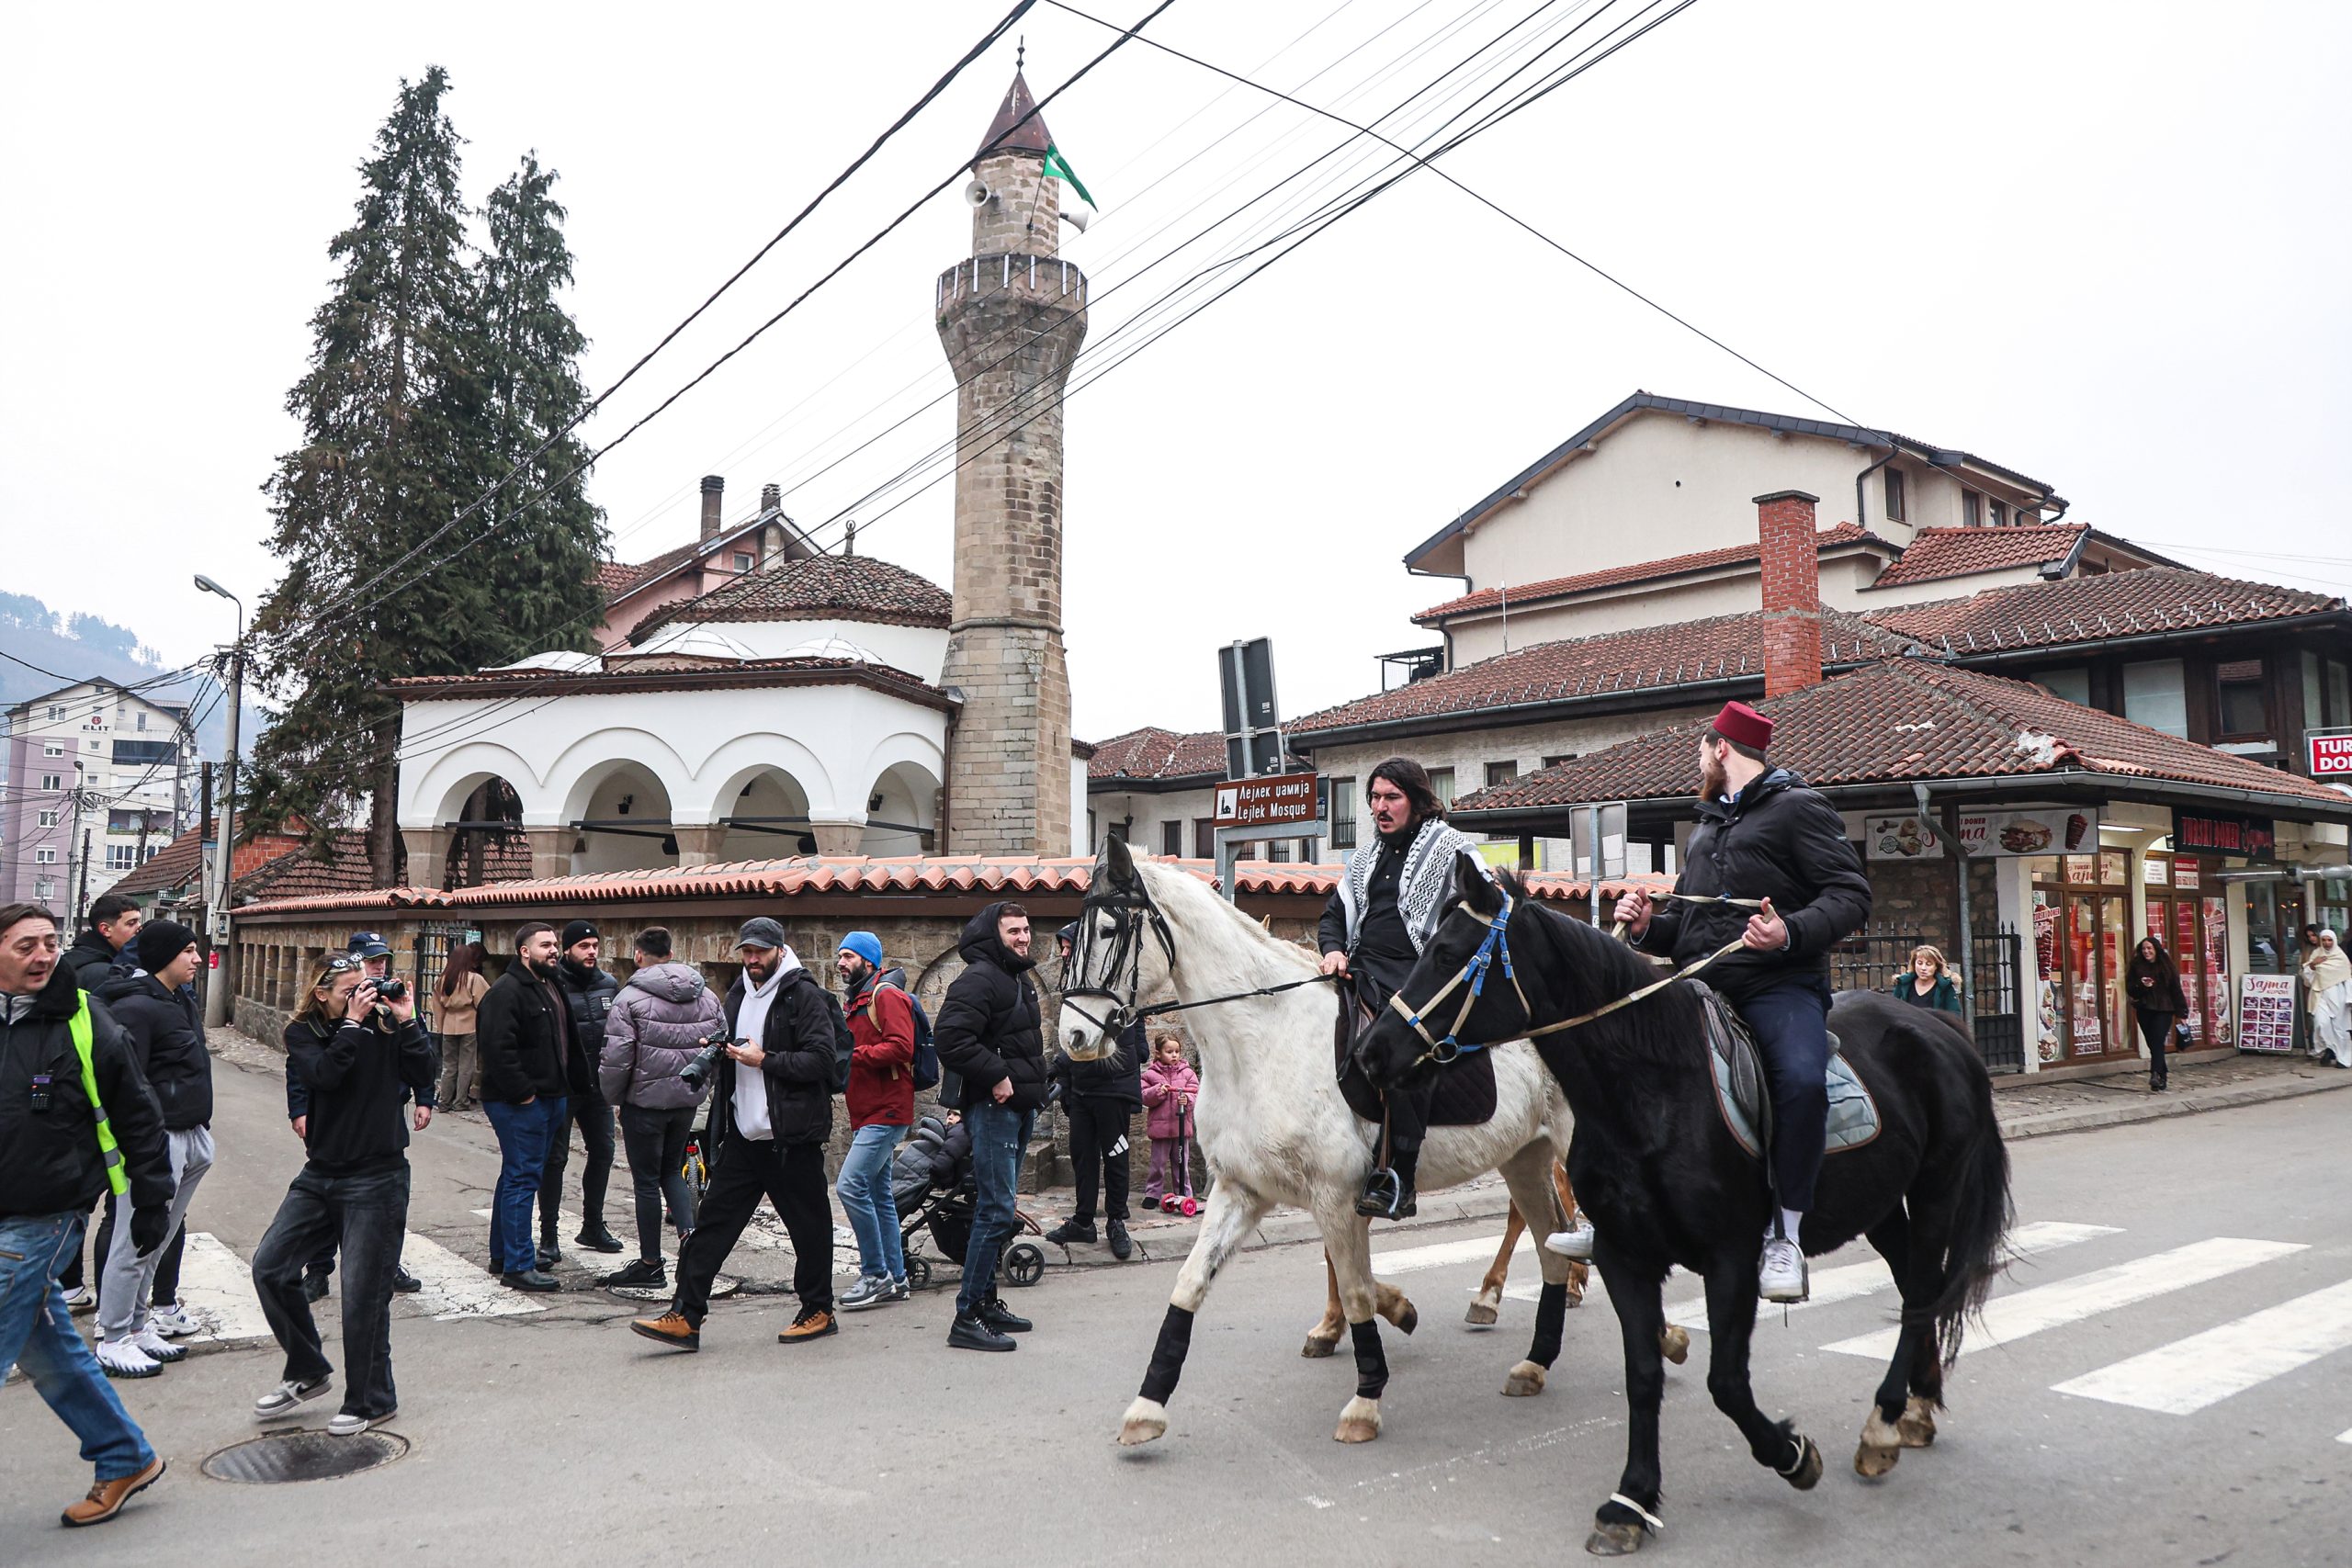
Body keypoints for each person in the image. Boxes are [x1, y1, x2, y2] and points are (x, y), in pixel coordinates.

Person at [1598, 701, 1874, 1303]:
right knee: (1617, 1066)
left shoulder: (1799, 808)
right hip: (1701, 987)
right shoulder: (1706, 828)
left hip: (1780, 986)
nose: (1698, 760)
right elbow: (1689, 928)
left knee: (1800, 1081)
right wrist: (1647, 925)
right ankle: (1613, 1212)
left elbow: (1851, 895)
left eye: (1701, 749)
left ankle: (1787, 1235)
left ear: (1721, 748)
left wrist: (1789, 932)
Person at [0, 902, 173, 1526]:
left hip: (45, 1213)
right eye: (26, 945)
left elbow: (139, 1113)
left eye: (49, 942)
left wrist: (151, 1203)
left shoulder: (84, 1020)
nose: (44, 955)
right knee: (45, 1346)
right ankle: (124, 1454)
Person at [629, 918, 840, 1351]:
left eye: (760, 952)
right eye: (746, 951)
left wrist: (766, 1060)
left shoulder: (804, 995)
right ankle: (686, 1316)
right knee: (711, 1227)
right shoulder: (740, 991)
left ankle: (818, 1309)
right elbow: (735, 1046)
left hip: (791, 1137)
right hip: (744, 1135)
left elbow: (821, 1062)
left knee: (810, 1229)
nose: (752, 959)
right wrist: (718, 1049)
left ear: (780, 950)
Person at [249, 952, 435, 1436]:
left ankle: (373, 1399)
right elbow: (326, 1075)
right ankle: (308, 1369)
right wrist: (352, 1026)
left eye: (365, 986)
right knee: (271, 1266)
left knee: (363, 1295)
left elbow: (423, 1072)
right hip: (321, 1173)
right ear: (323, 995)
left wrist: (408, 1020)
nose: (362, 995)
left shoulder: (384, 1027)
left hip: (378, 1176)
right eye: (350, 989)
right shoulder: (303, 1034)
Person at [1317, 758, 1483, 1220]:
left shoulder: (1454, 849)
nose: (1379, 807)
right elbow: (1334, 916)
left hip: (1422, 975)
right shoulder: (1364, 857)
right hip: (1362, 968)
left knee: (1405, 1050)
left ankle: (1399, 1175)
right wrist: (1333, 950)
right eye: (1374, 798)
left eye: (1391, 797)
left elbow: (1487, 909)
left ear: (1415, 800)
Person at [90, 922, 214, 1379]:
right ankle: (114, 1336)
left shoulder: (176, 999)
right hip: (156, 1141)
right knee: (134, 1239)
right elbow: (125, 1082)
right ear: (164, 957)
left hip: (190, 1135)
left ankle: (140, 1326)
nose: (197, 959)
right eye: (188, 951)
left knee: (158, 1238)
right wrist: (141, 1145)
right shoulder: (139, 1007)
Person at [933, 901, 1049, 1351]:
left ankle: (986, 1303)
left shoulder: (1014, 976)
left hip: (1019, 1108)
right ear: (992, 935)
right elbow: (949, 1038)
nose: (1022, 937)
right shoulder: (980, 978)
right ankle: (966, 1315)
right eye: (1013, 931)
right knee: (996, 1210)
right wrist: (997, 1077)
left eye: (1025, 929)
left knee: (996, 1205)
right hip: (994, 1110)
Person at [287, 933, 426, 1300]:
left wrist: (408, 1022)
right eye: (370, 964)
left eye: (382, 962)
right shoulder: (309, 1029)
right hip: (332, 1143)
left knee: (378, 1237)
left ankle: (385, 1264)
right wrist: (299, 1109)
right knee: (322, 1218)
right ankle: (318, 1271)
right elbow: (313, 1073)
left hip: (381, 1141)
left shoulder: (384, 1018)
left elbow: (424, 1067)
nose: (377, 971)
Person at [595, 926, 721, 1290]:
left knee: (647, 1181)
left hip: (644, 1105)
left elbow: (617, 1057)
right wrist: (701, 1085)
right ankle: (690, 1245)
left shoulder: (629, 998)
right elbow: (718, 1044)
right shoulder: (707, 995)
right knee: (671, 1171)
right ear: (671, 953)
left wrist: (615, 1098)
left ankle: (651, 1263)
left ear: (638, 955)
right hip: (685, 1100)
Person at [54, 892, 143, 1312]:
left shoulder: (71, 964)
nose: (137, 930)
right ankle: (88, 1293)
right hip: (94, 1100)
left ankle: (67, 1284)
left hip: (69, 1096)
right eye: (131, 923)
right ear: (105, 929)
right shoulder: (100, 974)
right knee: (100, 1198)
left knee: (72, 1196)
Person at [474, 923, 569, 1291]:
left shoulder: (550, 984)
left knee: (516, 1174)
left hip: (551, 1097)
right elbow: (497, 1050)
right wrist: (524, 1094)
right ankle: (517, 1264)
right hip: (519, 1102)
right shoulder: (507, 991)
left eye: (555, 944)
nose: (554, 950)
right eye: (545, 945)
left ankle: (504, 1253)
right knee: (522, 1177)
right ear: (524, 951)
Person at [1047, 923, 1143, 1258]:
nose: (1062, 952)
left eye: (1067, 946)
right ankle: (1083, 1221)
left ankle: (1116, 1220)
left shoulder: (1111, 993)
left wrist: (1059, 1064)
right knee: (1083, 1157)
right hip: (1083, 1092)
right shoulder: (1076, 992)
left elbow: (1123, 1044)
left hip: (1112, 1089)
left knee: (1115, 1156)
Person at [835, 931, 915, 1309]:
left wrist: (855, 1056)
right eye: (839, 956)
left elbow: (903, 1046)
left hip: (886, 1109)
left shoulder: (886, 995)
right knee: (880, 1195)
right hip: (868, 1110)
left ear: (869, 962)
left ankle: (874, 1274)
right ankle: (896, 1278)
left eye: (848, 956)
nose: (840, 962)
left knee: (850, 1186)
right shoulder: (858, 1000)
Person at [542, 921, 622, 1264]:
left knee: (604, 1152)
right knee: (555, 1160)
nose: (591, 952)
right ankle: (548, 1235)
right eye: (583, 946)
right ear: (567, 949)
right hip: (564, 1087)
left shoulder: (609, 985)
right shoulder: (552, 983)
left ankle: (592, 1225)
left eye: (594, 946)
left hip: (598, 1086)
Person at [1139, 1035, 1199, 1211]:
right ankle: (1153, 1194)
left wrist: (1186, 1099)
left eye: (1177, 1052)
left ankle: (1184, 1194)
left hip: (1181, 1128)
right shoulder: (1150, 1075)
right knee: (1157, 1164)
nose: (1174, 1055)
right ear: (1158, 1053)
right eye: (1169, 1051)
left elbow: (1196, 1092)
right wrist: (1157, 1092)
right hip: (1160, 1129)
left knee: (1181, 1163)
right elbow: (1143, 1095)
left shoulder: (1187, 1073)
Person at [431, 941, 490, 1112]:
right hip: (469, 1024)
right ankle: (460, 1101)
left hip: (449, 1024)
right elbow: (485, 1002)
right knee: (466, 1066)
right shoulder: (474, 979)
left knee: (449, 1066)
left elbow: (437, 1007)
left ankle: (444, 1101)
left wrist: (441, 1027)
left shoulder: (442, 980)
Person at [2124, 936, 2187, 1091]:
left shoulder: (2166, 966)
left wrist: (2182, 1013)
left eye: (2149, 949)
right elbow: (2131, 989)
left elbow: (2176, 990)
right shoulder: (2136, 966)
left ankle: (2154, 1074)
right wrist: (2142, 985)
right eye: (2144, 949)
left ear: (2156, 950)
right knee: (2153, 1044)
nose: (2147, 952)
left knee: (2158, 1041)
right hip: (2144, 1009)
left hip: (2164, 1010)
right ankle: (2162, 1075)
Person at [62, 894, 141, 990]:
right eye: (131, 923)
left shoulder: (74, 959)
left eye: (139, 922)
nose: (139, 928)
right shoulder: (105, 974)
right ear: (106, 929)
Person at [2305, 929, 2351, 1068]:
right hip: (2320, 995)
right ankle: (2329, 1048)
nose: (2326, 943)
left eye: (2329, 940)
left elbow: (2348, 977)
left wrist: (2350, 999)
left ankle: (2343, 1058)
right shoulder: (2316, 954)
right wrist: (2313, 964)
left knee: (2339, 1028)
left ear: (2334, 940)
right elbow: (2307, 976)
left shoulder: (2341, 957)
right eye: (2324, 940)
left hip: (2338, 996)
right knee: (2321, 1023)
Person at [1888, 945, 1962, 1017]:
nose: (1923, 968)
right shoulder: (1903, 983)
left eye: (1928, 964)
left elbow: (1954, 1015)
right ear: (1914, 964)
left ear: (1936, 966)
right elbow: (1893, 1011)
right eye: (1919, 963)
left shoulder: (1945, 986)